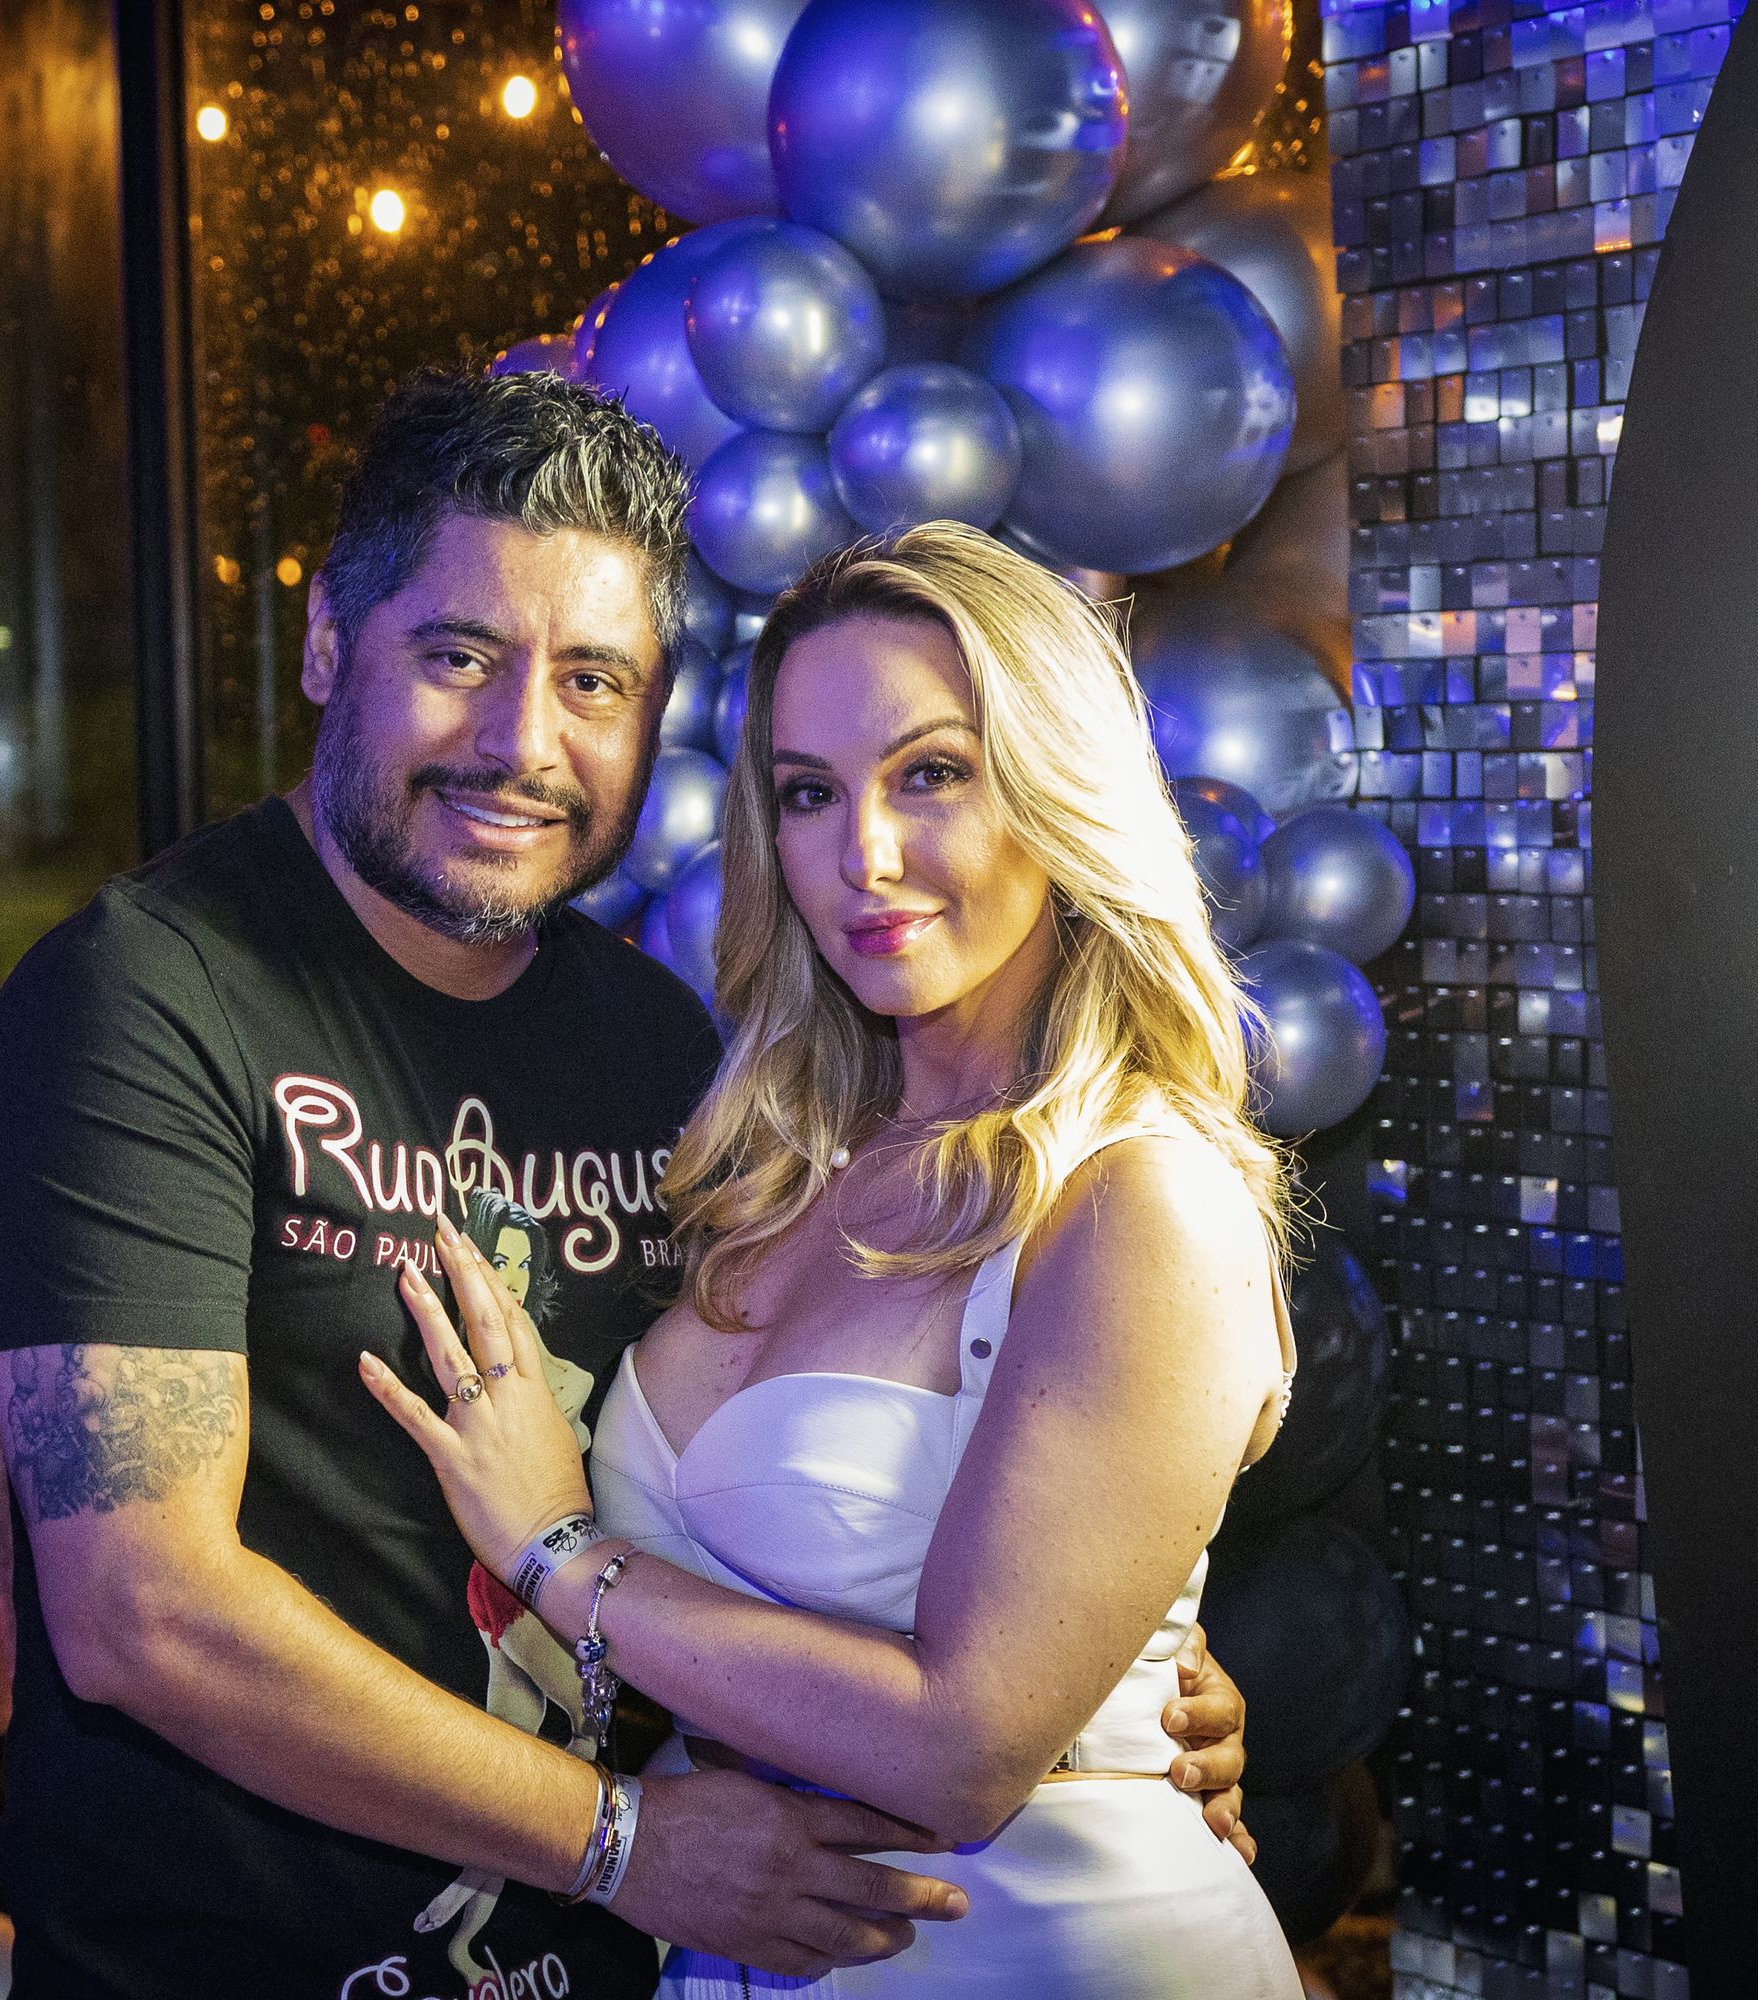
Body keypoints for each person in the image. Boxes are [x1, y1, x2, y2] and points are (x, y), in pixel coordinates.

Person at [0, 372, 1253, 2000]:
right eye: (459, 658)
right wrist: (619, 1839)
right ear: (328, 645)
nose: (521, 743)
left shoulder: (666, 1051)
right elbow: (146, 1615)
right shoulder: (142, 1004)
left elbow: (818, 1501)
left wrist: (1108, 1668)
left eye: (593, 681)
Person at [363, 523, 1305, 1996]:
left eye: (932, 774)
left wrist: (558, 1551)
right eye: (809, 793)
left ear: (1058, 788)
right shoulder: (775, 1168)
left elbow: (964, 1751)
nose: (862, 855)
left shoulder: (1138, 1198)